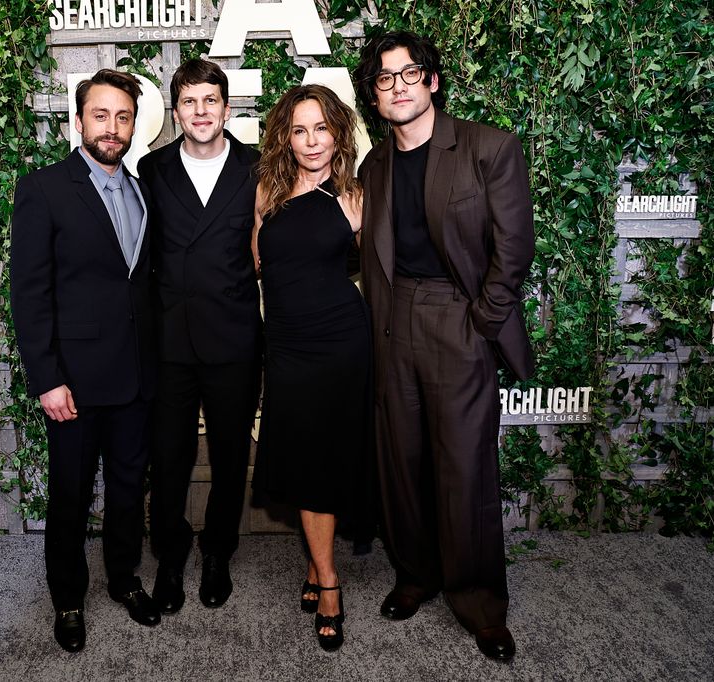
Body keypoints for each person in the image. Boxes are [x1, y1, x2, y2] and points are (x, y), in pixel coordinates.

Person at [353, 32, 535, 661]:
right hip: (392, 319)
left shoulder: (488, 147)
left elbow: (513, 248)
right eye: (384, 78)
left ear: (432, 81)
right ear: (374, 96)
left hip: (457, 317)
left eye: (410, 74)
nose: (398, 85)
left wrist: (481, 320)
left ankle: (481, 602)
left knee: (463, 466)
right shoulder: (373, 166)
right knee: (400, 462)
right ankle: (416, 574)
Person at [10, 69, 162, 654]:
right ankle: (68, 599)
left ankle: (124, 579)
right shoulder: (44, 188)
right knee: (70, 495)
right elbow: (30, 293)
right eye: (101, 115)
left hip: (136, 377)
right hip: (72, 382)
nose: (112, 128)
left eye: (123, 117)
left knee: (128, 489)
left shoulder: (143, 187)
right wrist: (47, 379)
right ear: (79, 121)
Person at [136, 59, 262, 613]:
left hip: (234, 338)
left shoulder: (259, 168)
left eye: (210, 100)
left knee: (232, 454)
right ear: (176, 110)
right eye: (189, 102)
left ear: (226, 107)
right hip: (170, 342)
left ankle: (217, 551)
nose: (200, 111)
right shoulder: (152, 168)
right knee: (168, 457)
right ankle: (169, 554)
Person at [251, 84, 369, 652]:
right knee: (302, 459)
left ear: (338, 133)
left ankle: (328, 582)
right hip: (288, 345)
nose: (311, 140)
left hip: (340, 342)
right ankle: (318, 565)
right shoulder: (269, 191)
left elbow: (387, 269)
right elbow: (260, 261)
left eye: (321, 127)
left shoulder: (354, 197)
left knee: (324, 463)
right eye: (300, 129)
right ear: (285, 137)